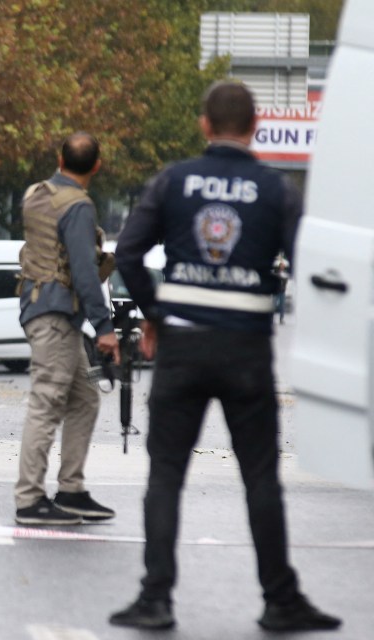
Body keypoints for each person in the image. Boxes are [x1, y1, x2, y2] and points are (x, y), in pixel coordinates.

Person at [109, 81, 340, 632]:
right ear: (256, 127)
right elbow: (311, 262)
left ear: (204, 125)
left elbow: (130, 252)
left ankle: (156, 597)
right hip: (245, 351)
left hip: (183, 347)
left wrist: (155, 313)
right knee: (260, 476)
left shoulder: (173, 181)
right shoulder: (277, 190)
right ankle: (280, 599)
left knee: (166, 473)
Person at [14, 132, 120, 526]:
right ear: (96, 165)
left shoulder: (35, 194)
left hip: (42, 309)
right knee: (46, 404)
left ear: (59, 158)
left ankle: (72, 491)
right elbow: (84, 271)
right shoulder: (78, 205)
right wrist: (105, 327)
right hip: (57, 317)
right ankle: (29, 500)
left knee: (85, 399)